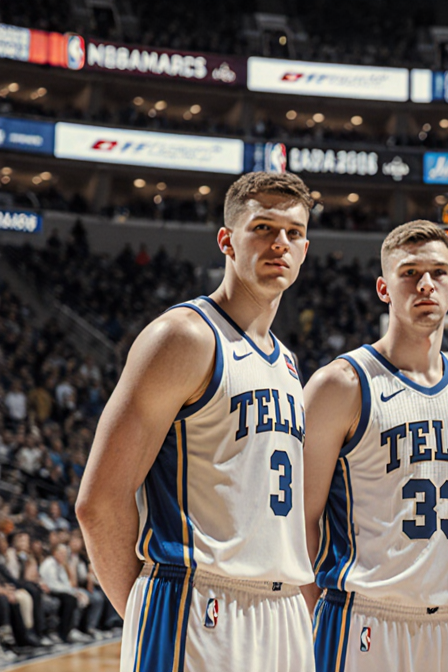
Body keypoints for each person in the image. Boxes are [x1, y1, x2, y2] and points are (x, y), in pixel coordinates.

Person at [76, 172, 317, 672]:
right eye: (263, 228)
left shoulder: (288, 362)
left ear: (305, 250)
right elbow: (99, 502)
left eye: (293, 232)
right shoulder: (183, 337)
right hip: (197, 602)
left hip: (282, 609)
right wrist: (147, 615)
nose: (280, 243)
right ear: (227, 240)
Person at [303, 221, 448, 672]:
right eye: (409, 273)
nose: (425, 284)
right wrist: (317, 615)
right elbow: (300, 521)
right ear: (384, 288)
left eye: (438, 272)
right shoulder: (341, 384)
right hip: (365, 620)